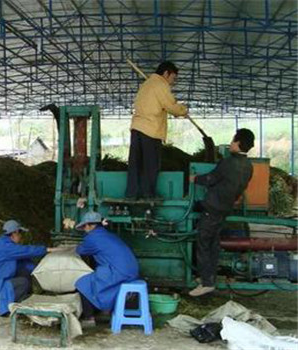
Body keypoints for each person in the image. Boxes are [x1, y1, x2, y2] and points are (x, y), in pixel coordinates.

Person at [189, 129, 255, 297]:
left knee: (203, 241)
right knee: (214, 243)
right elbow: (241, 188)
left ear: (239, 143)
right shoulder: (248, 166)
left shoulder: (227, 163)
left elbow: (211, 179)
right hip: (225, 208)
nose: (231, 143)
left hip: (212, 208)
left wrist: (195, 178)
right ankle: (208, 276)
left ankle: (206, 282)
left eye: (233, 141)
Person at [126, 61, 189, 199]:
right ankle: (148, 194)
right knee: (150, 165)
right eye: (173, 78)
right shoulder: (161, 84)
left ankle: (131, 194)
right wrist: (183, 109)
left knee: (136, 164)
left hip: (137, 129)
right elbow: (170, 106)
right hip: (150, 130)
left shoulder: (146, 84)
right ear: (166, 73)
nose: (172, 82)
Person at [74, 211, 139, 327]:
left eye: (84, 226)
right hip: (131, 271)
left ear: (90, 225)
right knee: (98, 276)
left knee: (83, 283)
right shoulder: (108, 234)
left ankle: (88, 318)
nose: (84, 229)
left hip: (119, 273)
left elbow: (80, 250)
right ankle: (105, 311)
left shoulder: (93, 238)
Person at [0, 219, 59, 316]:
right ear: (14, 233)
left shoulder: (7, 245)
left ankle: (16, 301)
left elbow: (26, 264)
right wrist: (48, 249)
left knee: (25, 273)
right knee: (23, 282)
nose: (21, 236)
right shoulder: (4, 246)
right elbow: (27, 250)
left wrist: (44, 272)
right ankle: (5, 308)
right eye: (20, 233)